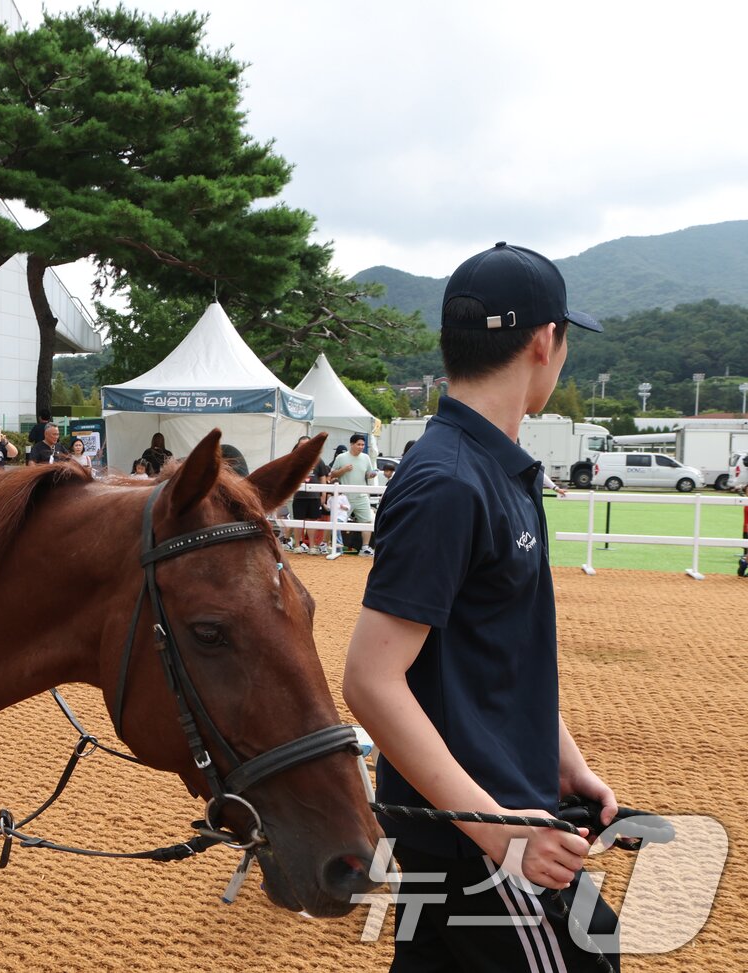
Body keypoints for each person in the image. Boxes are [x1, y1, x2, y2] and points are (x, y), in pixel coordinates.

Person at [343, 242, 619, 971]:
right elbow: (370, 679)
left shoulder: (498, 468)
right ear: (542, 341)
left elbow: (502, 653)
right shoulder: (449, 482)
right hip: (482, 843)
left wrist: (569, 764)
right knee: (594, 949)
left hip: (495, 820)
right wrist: (496, 829)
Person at [330, 433, 376, 555]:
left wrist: (371, 474)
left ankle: (365, 547)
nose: (361, 447)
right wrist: (343, 470)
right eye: (358, 444)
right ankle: (337, 547)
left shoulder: (366, 458)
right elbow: (332, 474)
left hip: (362, 495)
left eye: (362, 444)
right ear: (351, 444)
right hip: (345, 497)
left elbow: (367, 473)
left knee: (367, 521)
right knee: (338, 522)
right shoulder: (341, 457)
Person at [286, 435, 330, 554]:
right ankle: (297, 545)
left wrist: (323, 494)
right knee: (298, 521)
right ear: (298, 446)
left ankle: (312, 546)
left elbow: (322, 477)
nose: (305, 447)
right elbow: (288, 476)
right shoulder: (294, 459)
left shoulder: (318, 460)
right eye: (302, 445)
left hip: (314, 496)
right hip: (299, 496)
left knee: (312, 521)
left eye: (307, 444)